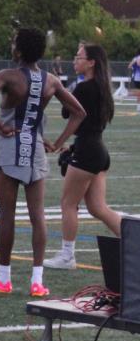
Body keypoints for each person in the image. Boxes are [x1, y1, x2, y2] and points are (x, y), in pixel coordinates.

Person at [0, 26, 84, 298]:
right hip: (35, 148)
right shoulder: (51, 81)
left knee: (7, 215)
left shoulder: (7, 76)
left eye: (15, 43)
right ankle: (37, 281)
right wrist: (57, 143)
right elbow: (79, 112)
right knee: (38, 216)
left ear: (19, 50)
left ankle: (3, 278)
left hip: (11, 146)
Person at [44, 43, 122, 271]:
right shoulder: (102, 87)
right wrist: (73, 145)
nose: (74, 61)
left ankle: (67, 256)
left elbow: (70, 116)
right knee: (98, 207)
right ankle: (133, 242)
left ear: (91, 63)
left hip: (87, 152)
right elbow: (91, 125)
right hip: (98, 150)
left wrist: (59, 143)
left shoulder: (84, 88)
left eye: (79, 57)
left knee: (68, 204)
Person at [129, 45, 140, 113]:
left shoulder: (135, 58)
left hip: (136, 78)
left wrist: (134, 67)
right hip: (138, 77)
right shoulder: (137, 58)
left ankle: (138, 106)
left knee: (139, 92)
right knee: (139, 92)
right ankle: (138, 106)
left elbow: (129, 66)